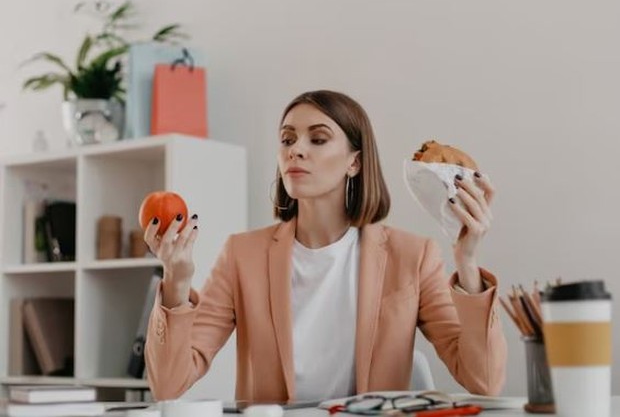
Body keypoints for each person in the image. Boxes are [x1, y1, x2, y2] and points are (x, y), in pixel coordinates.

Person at [144, 90, 507, 403]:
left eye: (317, 139)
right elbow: (168, 385)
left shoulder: (413, 256)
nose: (296, 151)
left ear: (355, 162)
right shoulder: (242, 255)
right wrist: (176, 280)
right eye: (287, 140)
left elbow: (484, 381)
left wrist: (468, 260)